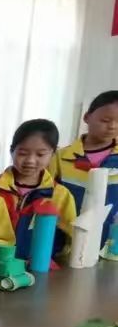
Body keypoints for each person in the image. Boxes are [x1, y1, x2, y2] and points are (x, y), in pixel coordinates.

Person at [0, 119, 76, 261]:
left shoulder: (60, 195)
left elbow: (70, 240)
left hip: (41, 266)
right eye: (23, 153)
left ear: (53, 154)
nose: (30, 160)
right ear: (12, 151)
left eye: (40, 155)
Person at [49, 90, 118, 247]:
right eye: (105, 120)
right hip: (66, 241)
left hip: (111, 244)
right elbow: (47, 196)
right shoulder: (60, 157)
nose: (112, 126)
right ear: (87, 117)